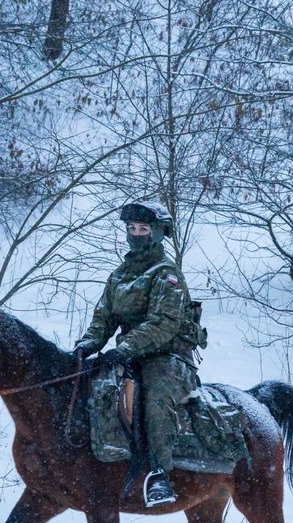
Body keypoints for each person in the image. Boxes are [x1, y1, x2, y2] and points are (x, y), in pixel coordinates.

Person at [73, 200, 200, 507]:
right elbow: (104, 316)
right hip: (129, 355)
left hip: (168, 356)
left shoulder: (167, 274)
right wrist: (88, 344)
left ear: (157, 233)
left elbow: (163, 323)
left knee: (154, 398)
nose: (136, 234)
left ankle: (160, 474)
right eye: (132, 228)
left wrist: (125, 347)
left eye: (143, 228)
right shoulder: (119, 275)